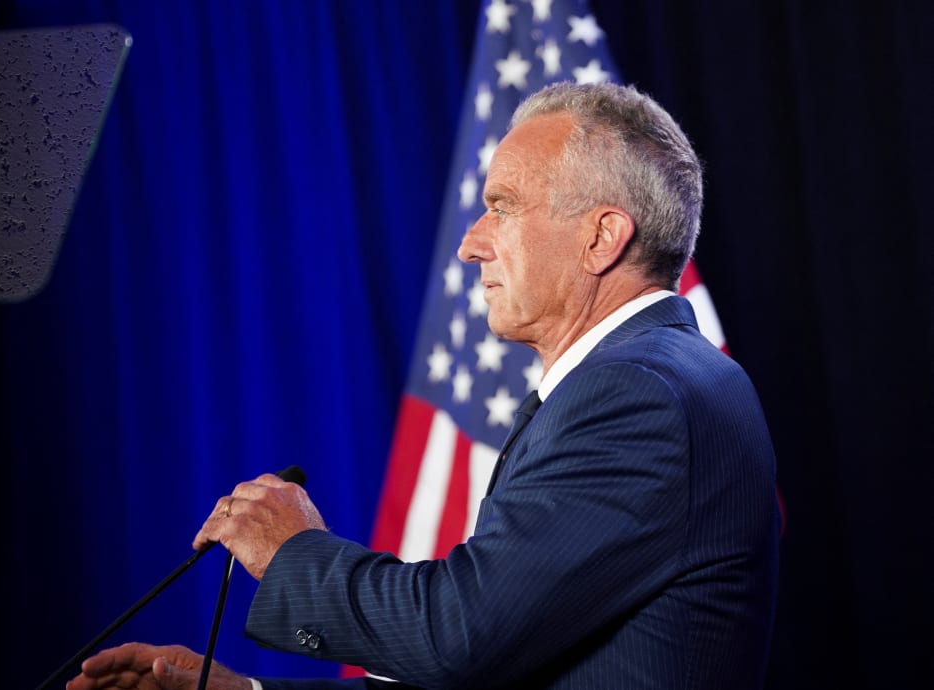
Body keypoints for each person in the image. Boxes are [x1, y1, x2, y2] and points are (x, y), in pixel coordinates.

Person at [68, 82, 780, 690]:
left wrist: (293, 552)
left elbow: (459, 637)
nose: (472, 241)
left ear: (601, 237)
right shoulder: (651, 378)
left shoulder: (638, 395)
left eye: (502, 206)